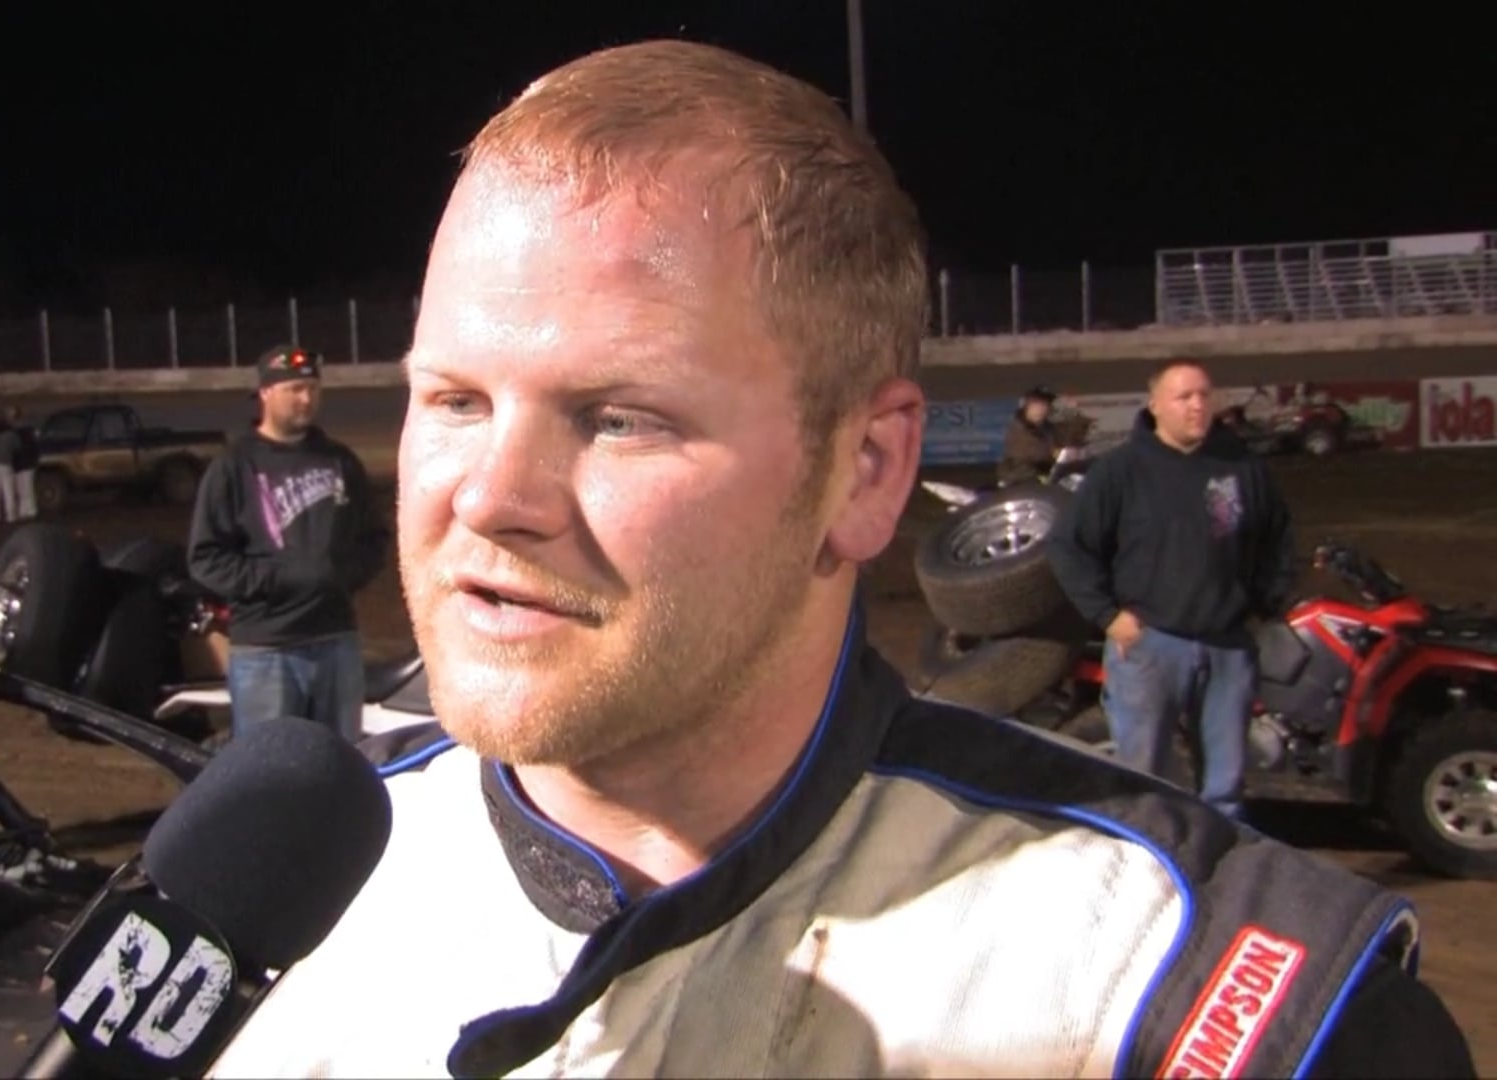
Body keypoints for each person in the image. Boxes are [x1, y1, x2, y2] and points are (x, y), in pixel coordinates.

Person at [202, 41, 1472, 1079]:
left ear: (865, 471)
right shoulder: (259, 892)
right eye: (455, 399)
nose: (489, 497)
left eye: (621, 417)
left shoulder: (1177, 992)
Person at [1047, 359, 1297, 822]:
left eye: (1204, 394)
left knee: (1224, 786)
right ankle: (1147, 870)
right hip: (1151, 646)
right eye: (1184, 397)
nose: (1197, 405)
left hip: (1227, 647)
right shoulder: (1121, 471)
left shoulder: (1241, 466)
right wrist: (1107, 616)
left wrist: (1263, 603)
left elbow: (1278, 537)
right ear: (1155, 405)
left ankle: (1215, 879)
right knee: (1143, 779)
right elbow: (1068, 546)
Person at [186, 344, 390, 741]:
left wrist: (339, 577)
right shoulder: (234, 466)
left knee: (338, 762)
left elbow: (374, 537)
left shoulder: (339, 461)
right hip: (266, 650)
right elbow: (205, 558)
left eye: (313, 389)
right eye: (294, 389)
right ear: (265, 393)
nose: (306, 398)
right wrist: (278, 580)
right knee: (270, 770)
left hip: (336, 641)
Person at [996, 385, 1066, 484]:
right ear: (1026, 407)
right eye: (1036, 405)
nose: (1040, 409)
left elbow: (1063, 447)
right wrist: (1054, 455)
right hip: (1019, 480)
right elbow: (1026, 455)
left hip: (1046, 478)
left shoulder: (1050, 429)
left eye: (1045, 405)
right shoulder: (1018, 428)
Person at [8, 406, 40, 520]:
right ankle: (28, 510)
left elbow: (14, 449)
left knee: (22, 489)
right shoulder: (29, 430)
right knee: (27, 488)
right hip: (28, 463)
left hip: (20, 464)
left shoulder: (14, 432)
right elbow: (35, 447)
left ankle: (27, 510)